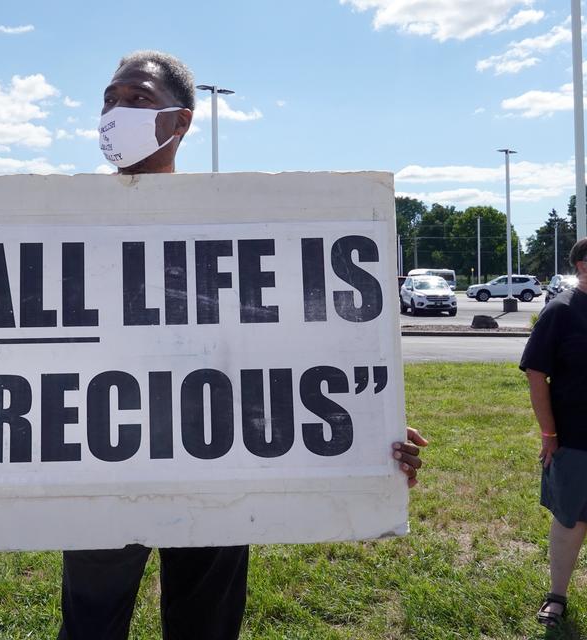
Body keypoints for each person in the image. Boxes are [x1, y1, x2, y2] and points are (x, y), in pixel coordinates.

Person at [57, 50, 427, 640]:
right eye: (111, 97)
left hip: (214, 466)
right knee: (90, 625)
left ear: (181, 121)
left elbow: (282, 342)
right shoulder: (52, 227)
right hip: (105, 461)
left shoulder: (233, 224)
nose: (116, 111)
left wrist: (367, 421)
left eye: (137, 99)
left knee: (205, 625)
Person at [521, 237, 587, 627]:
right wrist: (549, 434)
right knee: (570, 519)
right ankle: (557, 596)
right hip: (576, 439)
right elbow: (535, 373)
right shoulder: (560, 311)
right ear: (581, 265)